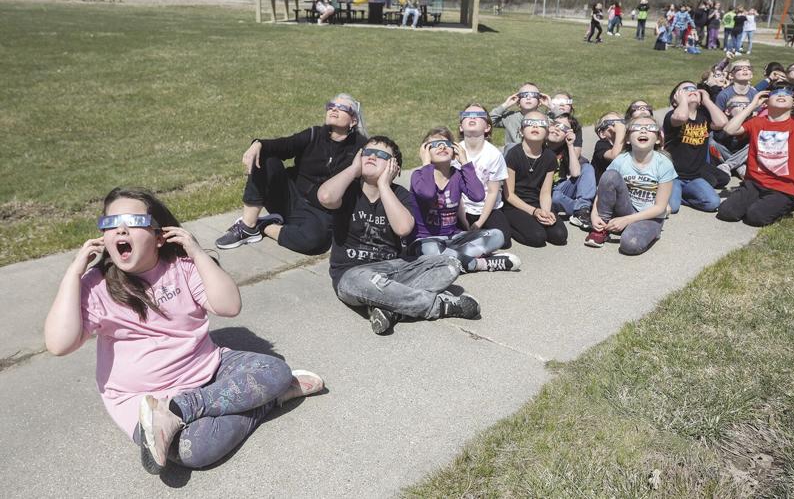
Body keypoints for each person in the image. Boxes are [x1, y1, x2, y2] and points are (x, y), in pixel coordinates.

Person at [44, 187, 324, 473]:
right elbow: (58, 343)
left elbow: (229, 306)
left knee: (275, 370)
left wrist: (196, 252)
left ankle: (182, 411)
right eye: (111, 224)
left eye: (134, 222)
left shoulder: (182, 267)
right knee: (194, 450)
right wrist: (73, 274)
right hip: (144, 401)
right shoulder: (96, 285)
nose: (121, 231)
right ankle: (269, 397)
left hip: (209, 368)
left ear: (159, 235)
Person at [317, 135, 481, 335]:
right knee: (359, 281)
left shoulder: (401, 195)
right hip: (352, 274)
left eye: (380, 155)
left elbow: (403, 228)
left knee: (449, 264)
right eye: (367, 152)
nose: (371, 157)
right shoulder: (348, 191)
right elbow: (325, 197)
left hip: (393, 271)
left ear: (394, 167)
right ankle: (438, 306)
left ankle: (392, 310)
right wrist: (353, 168)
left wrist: (384, 185)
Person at [216, 94, 366, 255]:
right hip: (287, 196)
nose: (334, 110)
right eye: (331, 106)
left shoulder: (361, 148)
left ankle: (265, 226)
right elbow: (284, 145)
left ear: (353, 120)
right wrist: (257, 144)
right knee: (265, 158)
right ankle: (247, 226)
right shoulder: (314, 134)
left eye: (342, 108)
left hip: (318, 211)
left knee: (316, 242)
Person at [406, 127, 520, 272]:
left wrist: (465, 163)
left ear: (455, 150)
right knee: (430, 250)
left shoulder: (458, 175)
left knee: (497, 236)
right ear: (425, 152)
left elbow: (478, 195)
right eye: (434, 145)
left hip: (453, 239)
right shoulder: (419, 175)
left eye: (447, 144)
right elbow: (428, 194)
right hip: (425, 240)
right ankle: (481, 264)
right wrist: (426, 164)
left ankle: (449, 260)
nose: (442, 147)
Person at [718, 83, 794, 225]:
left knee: (755, 217)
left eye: (787, 94)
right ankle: (757, 200)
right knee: (726, 212)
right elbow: (729, 129)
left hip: (783, 187)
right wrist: (752, 105)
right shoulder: (756, 122)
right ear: (766, 101)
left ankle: (785, 205)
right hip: (754, 183)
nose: (782, 95)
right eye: (776, 93)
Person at [585, 116, 676, 254]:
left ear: (657, 139)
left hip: (650, 216)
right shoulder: (621, 160)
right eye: (637, 128)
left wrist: (627, 220)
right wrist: (594, 215)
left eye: (650, 128)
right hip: (626, 208)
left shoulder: (664, 164)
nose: (643, 131)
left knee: (630, 244)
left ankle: (648, 230)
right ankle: (601, 228)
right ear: (627, 139)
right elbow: (602, 188)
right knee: (609, 175)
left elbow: (660, 208)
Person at [502, 111, 568, 247]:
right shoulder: (513, 155)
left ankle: (536, 220)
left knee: (560, 236)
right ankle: (509, 224)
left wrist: (546, 211)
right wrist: (533, 212)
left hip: (536, 202)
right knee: (537, 238)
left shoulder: (549, 156)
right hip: (514, 205)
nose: (535, 127)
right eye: (530, 124)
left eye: (541, 124)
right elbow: (509, 195)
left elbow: (545, 192)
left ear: (547, 131)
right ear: (521, 131)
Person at [663, 81, 729, 213]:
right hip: (673, 176)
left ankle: (682, 196)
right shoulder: (672, 116)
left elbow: (722, 122)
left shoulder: (703, 117)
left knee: (713, 203)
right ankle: (675, 195)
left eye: (694, 89)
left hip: (694, 176)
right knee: (673, 208)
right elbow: (681, 117)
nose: (692, 90)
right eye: (685, 89)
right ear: (675, 100)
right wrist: (681, 102)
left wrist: (707, 100)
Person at [457, 104, 514, 248]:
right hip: (461, 208)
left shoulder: (494, 154)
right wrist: (464, 220)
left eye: (478, 116)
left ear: (487, 127)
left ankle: (476, 236)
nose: (472, 118)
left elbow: (493, 192)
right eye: (467, 115)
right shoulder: (454, 152)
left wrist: (479, 223)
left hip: (488, 209)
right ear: (461, 127)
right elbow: (455, 191)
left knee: (505, 241)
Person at [547, 114, 596, 231]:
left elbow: (575, 173)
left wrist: (570, 145)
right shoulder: (540, 145)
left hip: (562, 187)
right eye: (555, 124)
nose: (557, 128)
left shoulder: (566, 150)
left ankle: (583, 209)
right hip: (546, 193)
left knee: (587, 168)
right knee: (556, 197)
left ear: (568, 134)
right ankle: (585, 211)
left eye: (563, 128)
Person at [490, 82, 551, 154]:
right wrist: (506, 105)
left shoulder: (544, 118)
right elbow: (489, 121)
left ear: (539, 101)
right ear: (518, 101)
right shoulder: (510, 117)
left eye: (533, 95)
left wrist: (551, 106)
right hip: (512, 156)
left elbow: (559, 122)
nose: (528, 98)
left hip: (536, 154)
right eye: (524, 95)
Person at [711, 94, 753, 179]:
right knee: (711, 141)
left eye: (747, 105)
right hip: (723, 155)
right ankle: (738, 166)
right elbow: (719, 137)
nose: (745, 108)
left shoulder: (753, 122)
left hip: (743, 157)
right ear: (727, 111)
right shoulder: (722, 122)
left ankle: (729, 165)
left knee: (755, 143)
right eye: (740, 105)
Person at [591, 111, 626, 182]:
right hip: (603, 187)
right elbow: (615, 156)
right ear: (602, 134)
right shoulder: (601, 145)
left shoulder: (627, 144)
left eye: (621, 122)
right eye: (612, 123)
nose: (618, 126)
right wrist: (620, 132)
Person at [547, 91, 584, 156]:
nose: (562, 104)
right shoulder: (543, 119)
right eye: (557, 101)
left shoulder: (574, 126)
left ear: (571, 108)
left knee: (586, 166)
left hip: (566, 158)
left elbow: (576, 155)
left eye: (566, 102)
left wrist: (570, 144)